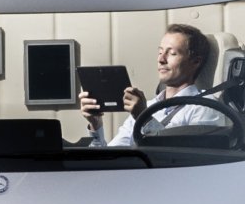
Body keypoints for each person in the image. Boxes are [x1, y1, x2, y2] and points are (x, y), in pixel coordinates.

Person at [81, 24, 225, 146]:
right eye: (160, 52)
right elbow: (109, 157)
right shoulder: (148, 107)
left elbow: (189, 159)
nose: (161, 59)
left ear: (195, 62)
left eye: (172, 53)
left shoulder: (206, 107)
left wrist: (143, 118)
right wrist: (96, 125)